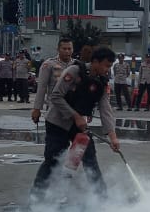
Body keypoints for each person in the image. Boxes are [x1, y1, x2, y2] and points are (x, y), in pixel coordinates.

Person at [32, 47, 122, 194]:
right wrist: (76, 116)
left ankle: (101, 198)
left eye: (110, 66)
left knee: (89, 159)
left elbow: (105, 109)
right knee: (53, 160)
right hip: (58, 123)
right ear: (95, 62)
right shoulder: (74, 71)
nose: (108, 70)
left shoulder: (102, 82)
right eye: (106, 65)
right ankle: (37, 198)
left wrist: (113, 137)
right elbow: (56, 96)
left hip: (78, 127)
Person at [31, 37, 74, 126]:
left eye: (69, 49)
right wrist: (37, 109)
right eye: (64, 49)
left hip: (72, 109)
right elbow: (42, 87)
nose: (67, 51)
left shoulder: (77, 65)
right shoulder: (49, 64)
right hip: (54, 109)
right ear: (58, 49)